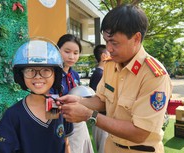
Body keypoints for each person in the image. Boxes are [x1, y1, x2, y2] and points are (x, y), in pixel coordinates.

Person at [58, 4, 172, 153]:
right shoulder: (111, 65)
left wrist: (89, 115)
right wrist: (79, 101)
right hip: (110, 146)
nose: (109, 49)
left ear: (136, 38)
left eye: (114, 43)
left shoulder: (154, 76)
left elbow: (139, 133)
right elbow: (102, 100)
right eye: (106, 41)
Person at [0, 38, 73, 153]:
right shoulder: (13, 116)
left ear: (56, 74)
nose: (38, 76)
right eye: (30, 70)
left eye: (46, 70)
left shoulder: (56, 106)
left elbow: (63, 142)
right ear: (21, 76)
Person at [50, 34, 94, 153]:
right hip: (61, 124)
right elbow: (51, 109)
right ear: (58, 50)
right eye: (67, 51)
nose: (71, 57)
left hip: (79, 121)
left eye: (76, 53)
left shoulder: (74, 75)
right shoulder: (51, 75)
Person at [89, 44, 110, 153]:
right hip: (101, 120)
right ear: (103, 56)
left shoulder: (102, 73)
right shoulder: (99, 74)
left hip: (103, 120)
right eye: (109, 52)